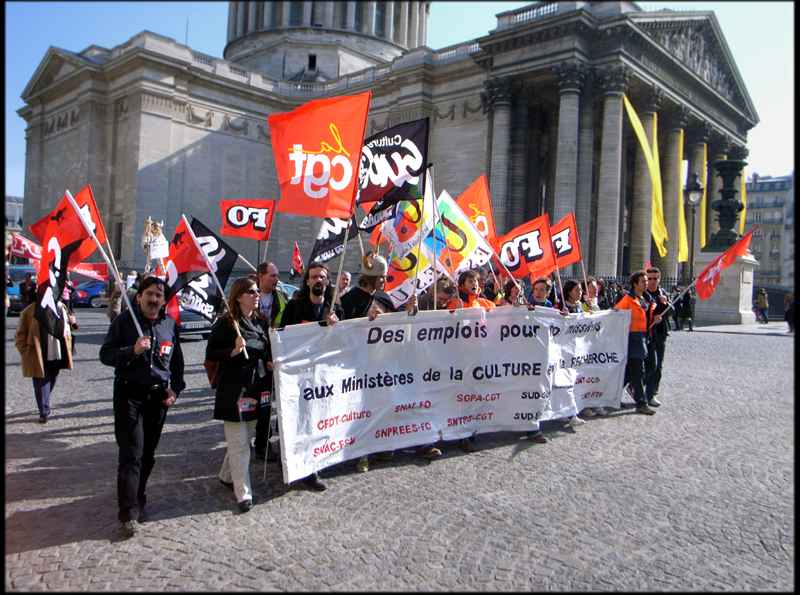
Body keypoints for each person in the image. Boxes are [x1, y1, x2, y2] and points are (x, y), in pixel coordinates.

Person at [99, 276, 184, 537]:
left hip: (157, 398)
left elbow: (177, 365)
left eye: (159, 295)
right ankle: (128, 513)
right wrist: (132, 351)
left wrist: (175, 390)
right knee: (131, 454)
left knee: (148, 454)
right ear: (139, 296)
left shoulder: (170, 325)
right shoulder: (124, 322)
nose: (154, 299)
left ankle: (138, 497)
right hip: (129, 395)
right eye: (149, 294)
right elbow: (106, 354)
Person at [340, 254, 422, 471]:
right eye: (381, 277)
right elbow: (342, 330)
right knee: (361, 410)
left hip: (383, 363)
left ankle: (381, 444)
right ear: (371, 278)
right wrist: (364, 321)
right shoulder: (350, 299)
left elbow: (396, 326)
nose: (385, 281)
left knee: (383, 405)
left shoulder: (384, 298)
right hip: (359, 365)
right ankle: (361, 454)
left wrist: (408, 310)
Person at [206, 276, 274, 514]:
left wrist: (269, 362)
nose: (257, 295)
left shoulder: (262, 321)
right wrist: (232, 351)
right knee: (239, 444)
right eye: (251, 292)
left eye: (257, 291)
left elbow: (267, 349)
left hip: (256, 387)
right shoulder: (226, 323)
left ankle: (226, 475)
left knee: (245, 438)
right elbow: (211, 352)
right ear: (238, 296)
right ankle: (243, 493)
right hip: (234, 390)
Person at [279, 262, 343, 491]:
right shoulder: (295, 307)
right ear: (307, 281)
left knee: (317, 418)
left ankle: (311, 466)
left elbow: (346, 342)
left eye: (322, 277)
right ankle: (295, 462)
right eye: (314, 276)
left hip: (324, 376)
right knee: (298, 419)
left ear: (327, 281)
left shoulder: (336, 309)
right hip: (298, 375)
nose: (318, 280)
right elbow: (284, 338)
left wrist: (336, 327)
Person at [445, 269, 495, 452]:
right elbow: (443, 329)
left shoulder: (485, 303)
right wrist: (455, 313)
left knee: (476, 393)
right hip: (461, 358)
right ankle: (462, 435)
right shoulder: (454, 303)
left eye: (476, 280)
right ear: (462, 285)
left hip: (480, 357)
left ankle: (472, 427)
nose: (475, 283)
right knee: (462, 396)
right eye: (470, 281)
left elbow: (505, 315)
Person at [15, 301, 78, 423]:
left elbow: (64, 327)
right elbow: (20, 333)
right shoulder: (30, 310)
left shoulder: (61, 306)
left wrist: (73, 323)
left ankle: (43, 400)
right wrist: (25, 350)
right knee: (41, 380)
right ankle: (44, 411)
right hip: (38, 352)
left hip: (57, 351)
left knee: (52, 379)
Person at [252, 261, 288, 463]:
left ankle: (263, 444)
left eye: (277, 276)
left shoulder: (280, 299)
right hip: (253, 357)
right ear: (261, 276)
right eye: (272, 275)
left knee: (267, 402)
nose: (276, 279)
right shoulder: (250, 295)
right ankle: (244, 440)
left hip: (273, 358)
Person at [613, 270, 661, 415]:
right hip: (632, 339)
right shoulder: (627, 300)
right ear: (635, 284)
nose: (646, 283)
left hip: (643, 337)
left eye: (646, 281)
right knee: (638, 371)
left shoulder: (646, 300)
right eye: (643, 281)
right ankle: (641, 403)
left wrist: (655, 320)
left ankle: (612, 396)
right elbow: (617, 318)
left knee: (629, 372)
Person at [643, 267, 670, 408]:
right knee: (651, 365)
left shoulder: (663, 293)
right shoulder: (643, 294)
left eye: (655, 278)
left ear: (659, 279)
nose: (652, 281)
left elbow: (672, 313)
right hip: (648, 334)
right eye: (650, 279)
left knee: (659, 366)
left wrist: (666, 304)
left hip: (661, 334)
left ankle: (651, 394)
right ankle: (639, 387)